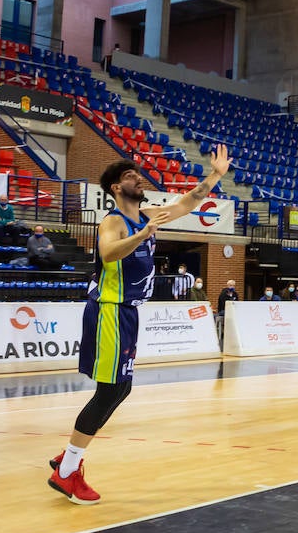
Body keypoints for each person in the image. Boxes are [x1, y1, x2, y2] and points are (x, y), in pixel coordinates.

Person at [47, 145, 231, 504]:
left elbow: (190, 201)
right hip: (110, 311)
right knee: (109, 391)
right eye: (130, 176)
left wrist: (216, 176)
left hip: (128, 312)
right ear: (116, 187)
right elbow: (107, 253)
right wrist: (142, 234)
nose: (138, 178)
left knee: (121, 389)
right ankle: (67, 471)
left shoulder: (148, 214)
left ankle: (68, 456)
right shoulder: (113, 222)